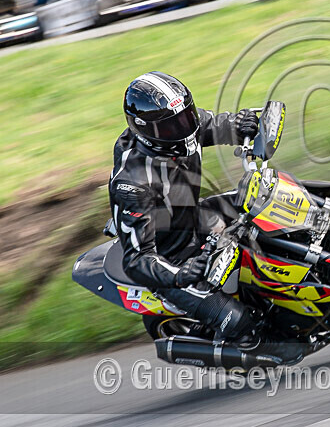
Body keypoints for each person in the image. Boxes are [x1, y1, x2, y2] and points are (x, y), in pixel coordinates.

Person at [109, 71, 302, 362]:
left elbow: (215, 124)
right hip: (170, 259)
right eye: (172, 126)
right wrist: (180, 274)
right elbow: (137, 260)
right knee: (243, 324)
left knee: (273, 208)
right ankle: (254, 346)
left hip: (193, 218)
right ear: (143, 130)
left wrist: (241, 124)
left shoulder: (181, 125)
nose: (183, 128)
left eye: (185, 117)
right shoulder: (132, 183)